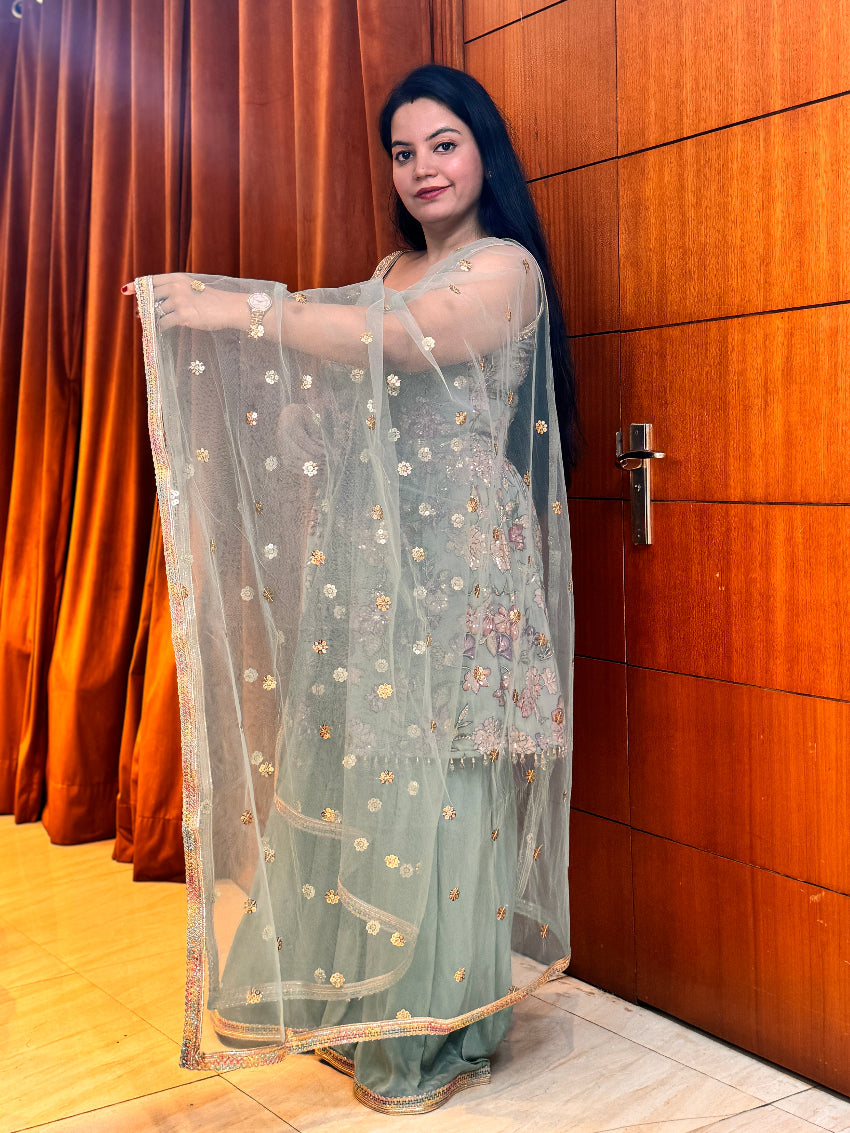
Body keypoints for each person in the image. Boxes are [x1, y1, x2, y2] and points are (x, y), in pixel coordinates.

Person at [123, 64, 575, 1116]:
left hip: (463, 562)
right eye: (403, 151)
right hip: (381, 565)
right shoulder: (386, 267)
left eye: (443, 144)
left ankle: (436, 1031)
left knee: (442, 778)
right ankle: (374, 1002)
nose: (422, 167)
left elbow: (402, 343)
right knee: (376, 776)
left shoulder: (504, 268)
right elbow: (348, 379)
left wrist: (241, 310)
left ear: (483, 153)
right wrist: (297, 413)